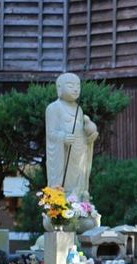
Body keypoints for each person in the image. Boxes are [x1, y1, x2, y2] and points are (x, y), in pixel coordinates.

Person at [45, 72, 98, 201]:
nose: (75, 89)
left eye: (78, 86)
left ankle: (79, 198)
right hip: (63, 154)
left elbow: (81, 130)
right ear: (59, 88)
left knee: (79, 179)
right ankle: (60, 203)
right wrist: (62, 137)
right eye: (70, 86)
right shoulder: (53, 108)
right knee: (66, 181)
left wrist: (89, 137)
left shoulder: (79, 109)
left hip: (79, 151)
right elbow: (51, 134)